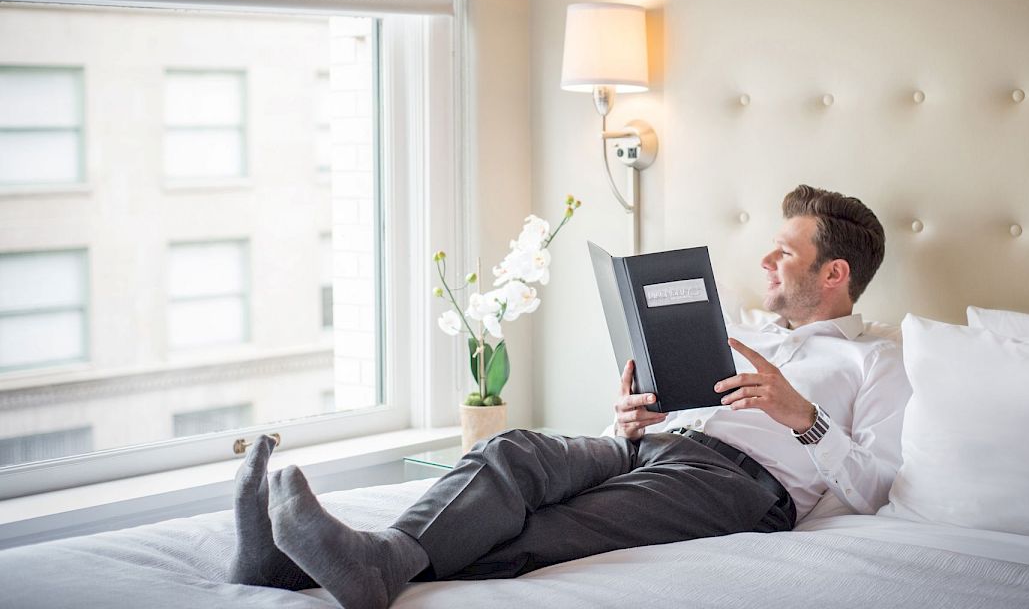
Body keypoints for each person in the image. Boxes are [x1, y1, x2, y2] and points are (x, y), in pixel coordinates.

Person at [227, 184, 911, 609]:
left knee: (552, 528)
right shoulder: (737, 328)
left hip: (739, 487)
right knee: (514, 452)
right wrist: (634, 417)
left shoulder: (875, 360)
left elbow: (878, 489)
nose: (764, 261)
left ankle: (322, 569)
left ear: (834, 274)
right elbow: (668, 411)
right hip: (651, 447)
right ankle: (302, 565)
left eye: (784, 252)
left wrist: (803, 418)